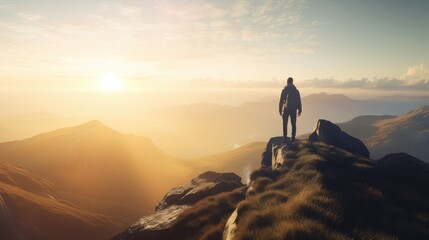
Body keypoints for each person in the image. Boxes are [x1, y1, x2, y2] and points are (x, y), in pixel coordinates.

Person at [279, 77, 302, 143]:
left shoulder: (284, 90)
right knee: (293, 124)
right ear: (292, 82)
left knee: (285, 123)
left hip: (286, 109)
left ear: (287, 82)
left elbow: (281, 101)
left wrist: (280, 110)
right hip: (294, 109)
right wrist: (300, 110)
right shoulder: (296, 91)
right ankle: (293, 138)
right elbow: (299, 100)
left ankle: (285, 138)